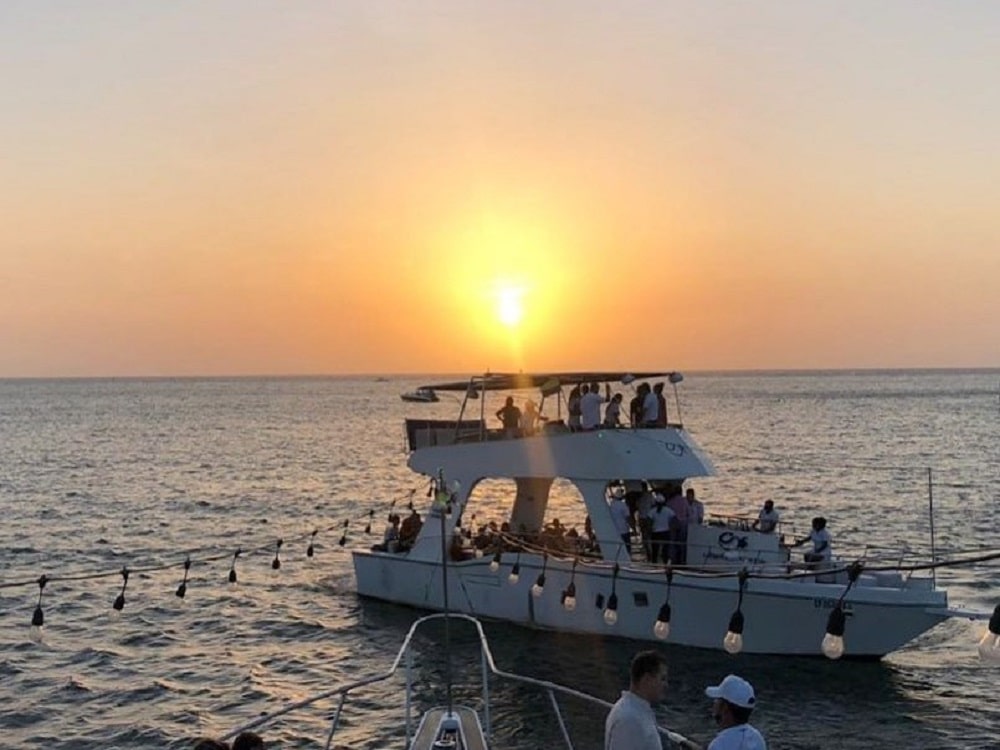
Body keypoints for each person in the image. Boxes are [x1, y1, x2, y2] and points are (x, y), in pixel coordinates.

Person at [604, 650, 669, 750]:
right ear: (647, 679)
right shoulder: (629, 720)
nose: (666, 685)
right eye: (662, 679)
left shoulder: (635, 711)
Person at [705, 674, 767, 750]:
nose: (714, 702)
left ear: (725, 708)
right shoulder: (757, 738)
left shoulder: (719, 745)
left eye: (717, 699)